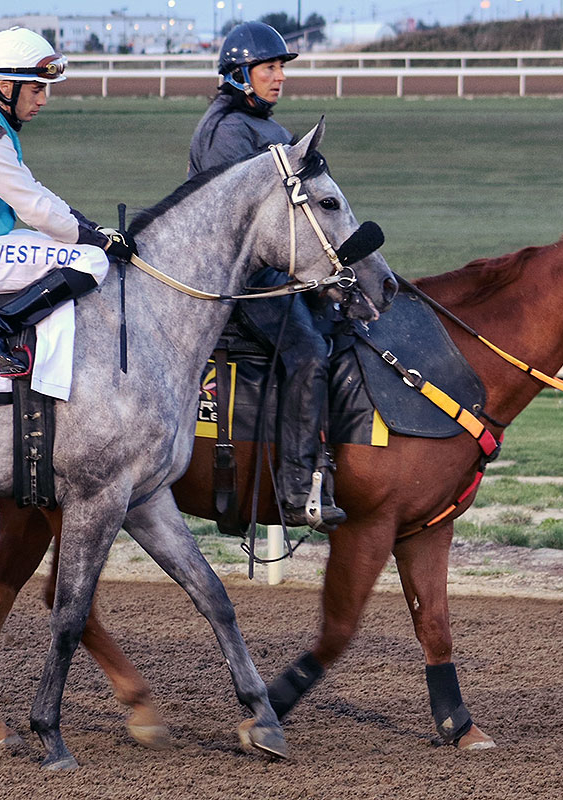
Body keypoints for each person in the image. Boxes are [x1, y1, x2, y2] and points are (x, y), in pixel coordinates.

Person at [188, 21, 346, 533]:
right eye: (269, 68)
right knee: (307, 354)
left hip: (275, 270)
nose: (279, 77)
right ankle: (299, 490)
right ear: (239, 74)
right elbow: (245, 226)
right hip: (241, 280)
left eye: (281, 68)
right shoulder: (225, 133)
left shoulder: (271, 129)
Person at [0, 27, 134, 378]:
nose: (43, 100)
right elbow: (33, 209)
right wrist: (99, 242)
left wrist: (91, 228)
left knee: (73, 243)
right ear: (6, 87)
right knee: (91, 262)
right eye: (36, 89)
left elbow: (34, 191)